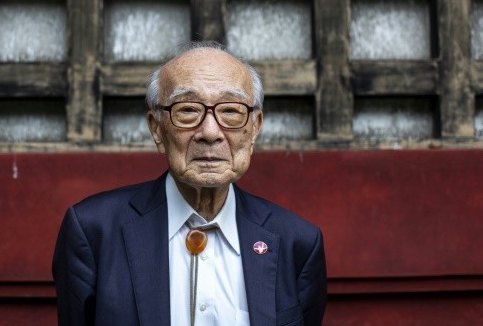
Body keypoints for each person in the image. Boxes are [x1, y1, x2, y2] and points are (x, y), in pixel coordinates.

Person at [53, 42, 326, 326]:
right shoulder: (93, 231)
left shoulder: (298, 243)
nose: (210, 132)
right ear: (156, 128)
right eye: (188, 110)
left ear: (255, 127)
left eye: (231, 111)